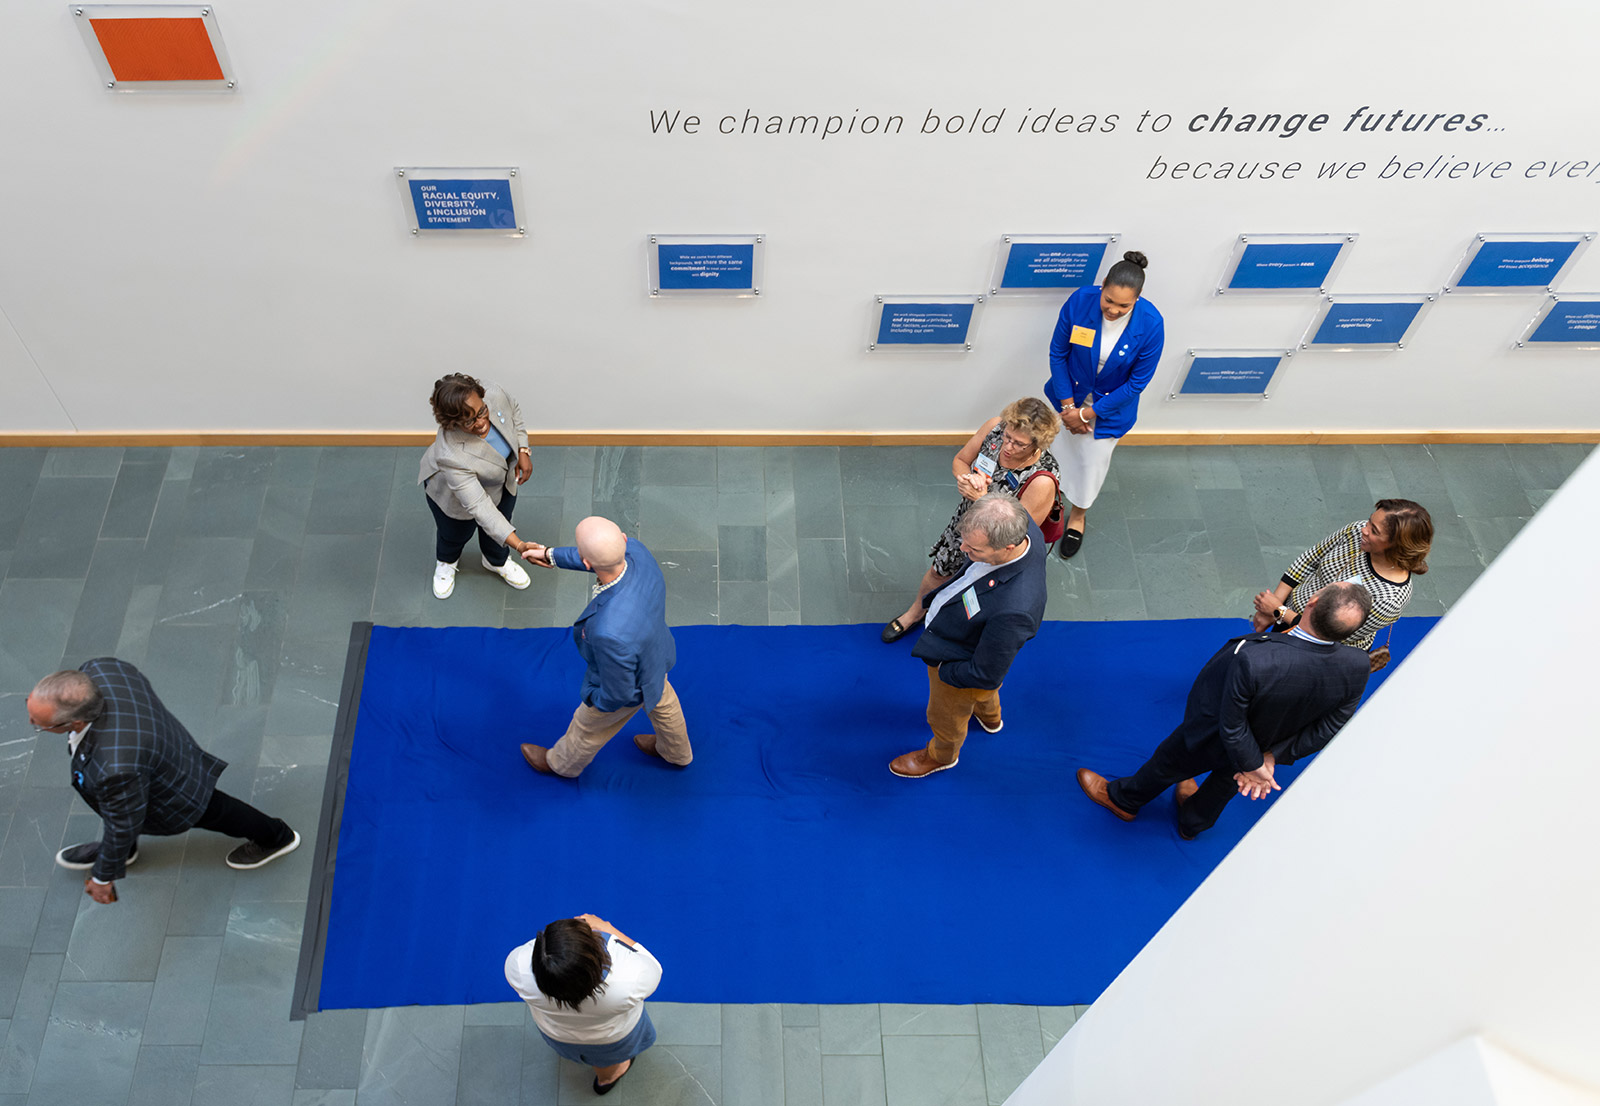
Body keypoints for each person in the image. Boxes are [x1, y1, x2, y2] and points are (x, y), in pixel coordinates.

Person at [1076, 581, 1374, 840]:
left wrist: (1253, 764)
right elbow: (1331, 725)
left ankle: (1124, 800)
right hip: (1267, 746)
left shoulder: (1257, 659)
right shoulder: (1358, 664)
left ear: (1312, 601)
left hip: (1212, 734)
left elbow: (1231, 723)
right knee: (1223, 788)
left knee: (1169, 762)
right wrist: (1268, 758)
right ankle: (1192, 824)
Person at [30, 659, 301, 903]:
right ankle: (122, 851)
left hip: (172, 787)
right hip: (162, 746)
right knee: (121, 807)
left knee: (216, 811)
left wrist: (102, 877)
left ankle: (277, 837)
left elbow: (122, 822)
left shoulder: (113, 768)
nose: (32, 722)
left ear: (76, 723)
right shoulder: (101, 668)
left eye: (39, 724)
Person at [518, 516, 692, 777]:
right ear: (623, 538)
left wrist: (595, 701)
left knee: (587, 727)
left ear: (585, 561)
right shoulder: (637, 551)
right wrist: (549, 554)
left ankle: (561, 765)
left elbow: (619, 692)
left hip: (629, 682)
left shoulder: (608, 632)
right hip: (656, 654)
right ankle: (678, 753)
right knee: (664, 702)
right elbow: (601, 557)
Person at [888, 494, 1048, 778]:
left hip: (959, 662)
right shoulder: (1020, 522)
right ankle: (990, 717)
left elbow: (984, 673)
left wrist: (945, 671)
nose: (962, 550)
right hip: (977, 644)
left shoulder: (1015, 610)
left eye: (974, 549)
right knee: (985, 693)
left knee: (945, 715)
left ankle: (942, 755)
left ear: (1007, 547)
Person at [881, 397, 1061, 643]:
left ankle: (957, 633)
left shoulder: (1042, 479)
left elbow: (1018, 533)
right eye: (1008, 437)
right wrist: (968, 479)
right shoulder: (995, 428)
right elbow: (961, 461)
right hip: (966, 525)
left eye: (1019, 444)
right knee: (938, 572)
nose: (1008, 446)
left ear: (1037, 443)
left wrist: (982, 499)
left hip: (995, 548)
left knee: (975, 593)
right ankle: (915, 613)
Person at [1045, 250, 1165, 559]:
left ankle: (1078, 516)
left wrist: (1086, 414)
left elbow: (1136, 384)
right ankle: (1047, 501)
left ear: (1137, 299)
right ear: (1102, 287)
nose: (1112, 310)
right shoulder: (1080, 301)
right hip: (1066, 397)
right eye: (1108, 300)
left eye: (1123, 305)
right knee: (1054, 453)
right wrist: (1069, 407)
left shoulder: (1151, 325)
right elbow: (1058, 353)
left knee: (1091, 465)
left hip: (1108, 410)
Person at [505, 913, 662, 1096]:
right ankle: (607, 1078)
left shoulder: (517, 966)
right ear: (595, 961)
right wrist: (608, 929)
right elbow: (653, 966)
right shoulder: (629, 980)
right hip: (611, 1037)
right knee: (607, 1063)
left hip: (556, 1033)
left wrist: (561, 948)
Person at [1252, 499, 1433, 652]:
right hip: (1286, 616)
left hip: (1318, 650)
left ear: (1397, 545)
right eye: (1370, 521)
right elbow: (1309, 559)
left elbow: (1328, 634)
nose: (1365, 529)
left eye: (1374, 531)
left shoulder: (1388, 599)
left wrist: (1278, 611)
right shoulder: (1356, 532)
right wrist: (1273, 609)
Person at [418, 373, 539, 599]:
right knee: (454, 534)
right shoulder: (449, 454)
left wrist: (523, 449)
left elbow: (514, 411)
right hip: (453, 498)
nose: (481, 422)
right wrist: (520, 545)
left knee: (503, 519)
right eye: (469, 421)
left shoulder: (492, 392)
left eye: (482, 411)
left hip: (501, 482)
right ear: (451, 424)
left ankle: (496, 560)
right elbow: (480, 507)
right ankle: (446, 561)